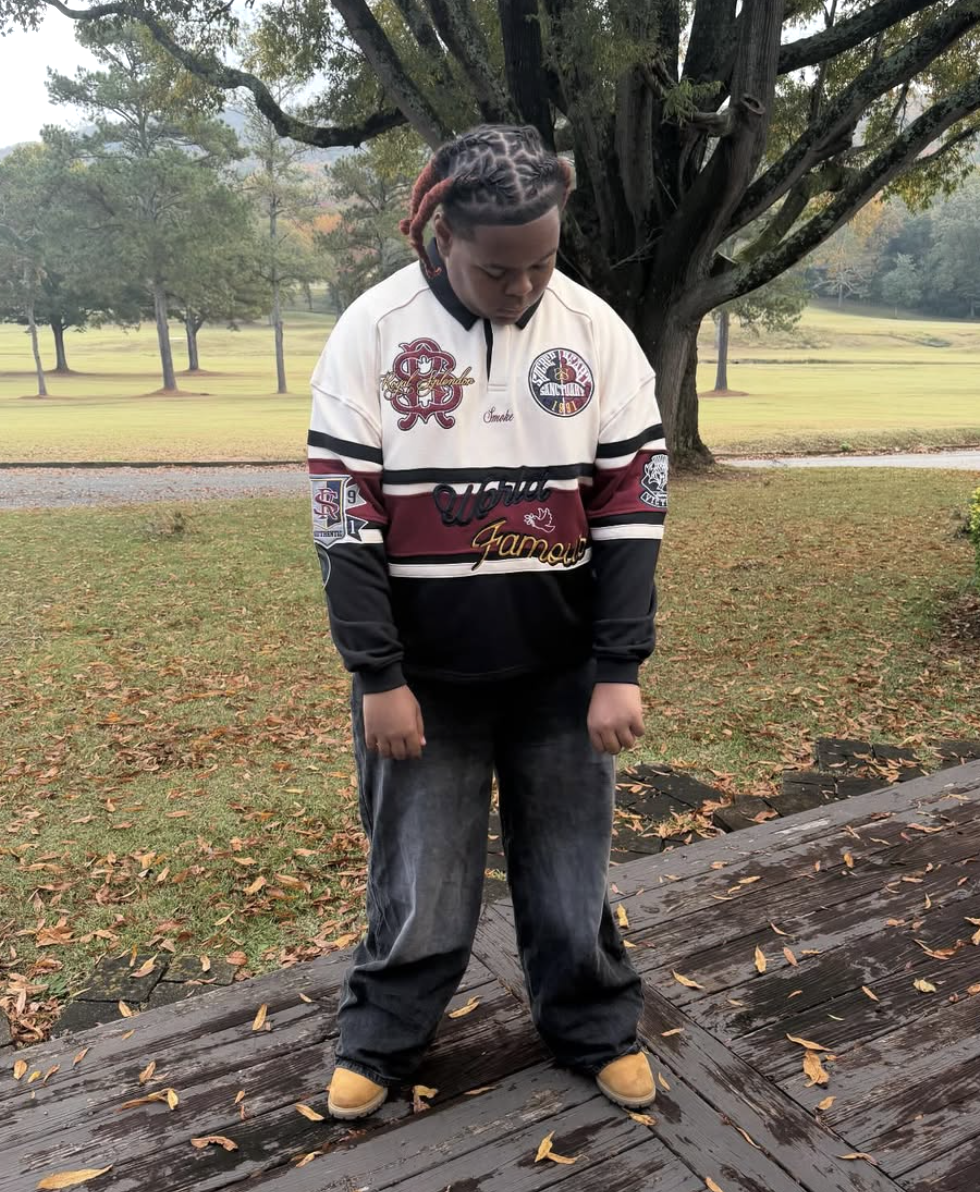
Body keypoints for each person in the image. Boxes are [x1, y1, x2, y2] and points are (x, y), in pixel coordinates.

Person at [307, 124, 668, 1121]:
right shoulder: (371, 334)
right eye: (495, 269)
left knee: (566, 874)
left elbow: (631, 512)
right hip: (423, 684)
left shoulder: (594, 334)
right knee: (418, 881)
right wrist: (376, 676)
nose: (521, 288)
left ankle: (592, 1023)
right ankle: (382, 1037)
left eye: (541, 263)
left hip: (560, 676)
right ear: (438, 238)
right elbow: (345, 522)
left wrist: (616, 664)